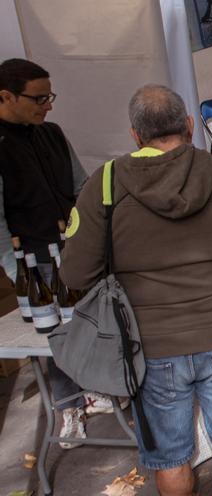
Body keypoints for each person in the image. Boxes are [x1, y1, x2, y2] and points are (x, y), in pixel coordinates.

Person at [61, 84, 212, 496]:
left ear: (135, 134)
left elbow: (76, 271)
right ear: (187, 126)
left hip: (149, 346)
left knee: (169, 455)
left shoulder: (104, 183)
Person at [0, 58, 112, 449]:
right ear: (6, 96)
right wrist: (16, 269)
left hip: (73, 250)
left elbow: (81, 187)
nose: (49, 104)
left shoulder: (52, 133)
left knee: (92, 319)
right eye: (39, 97)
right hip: (33, 259)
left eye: (50, 95)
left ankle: (100, 389)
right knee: (55, 335)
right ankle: (68, 407)